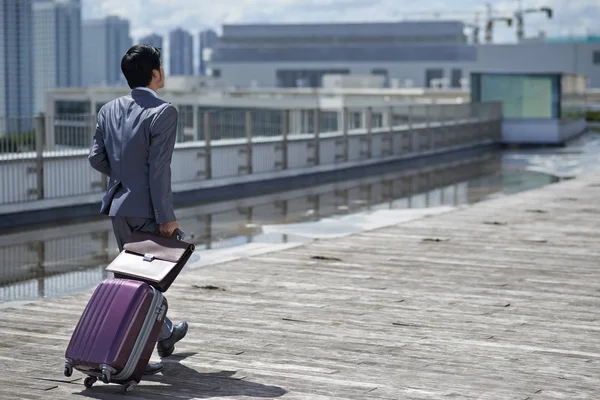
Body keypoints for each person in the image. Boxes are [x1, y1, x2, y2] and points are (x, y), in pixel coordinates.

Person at [88, 44, 188, 375]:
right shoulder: (163, 112)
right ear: (156, 73)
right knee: (145, 285)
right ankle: (132, 354)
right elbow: (159, 171)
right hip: (147, 210)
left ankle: (163, 334)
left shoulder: (108, 110)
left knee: (132, 282)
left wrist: (124, 177)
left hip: (118, 207)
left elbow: (96, 158)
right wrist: (167, 218)